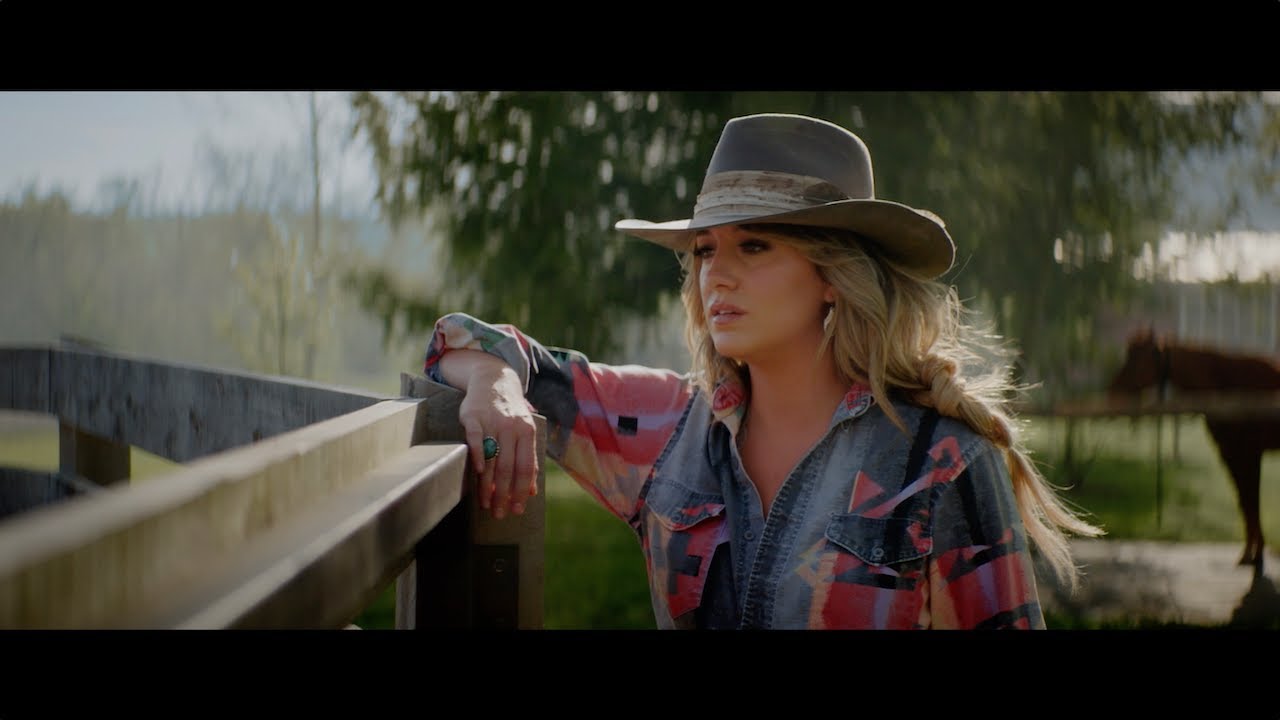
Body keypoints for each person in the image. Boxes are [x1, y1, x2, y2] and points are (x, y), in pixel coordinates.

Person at [425, 112, 1103, 629]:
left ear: (832, 276)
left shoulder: (941, 463)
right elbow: (463, 344)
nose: (717, 274)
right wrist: (495, 384)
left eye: (753, 246)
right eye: (705, 249)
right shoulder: (665, 426)